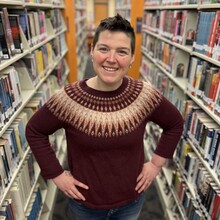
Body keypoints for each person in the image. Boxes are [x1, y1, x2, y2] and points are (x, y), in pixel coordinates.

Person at [25, 14, 184, 220]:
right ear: (91, 51)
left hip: (131, 202)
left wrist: (155, 164)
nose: (111, 59)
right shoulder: (68, 98)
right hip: (84, 205)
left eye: (122, 52)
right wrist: (55, 174)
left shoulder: (144, 95)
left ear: (133, 57)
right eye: (103, 49)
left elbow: (175, 123)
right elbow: (35, 130)